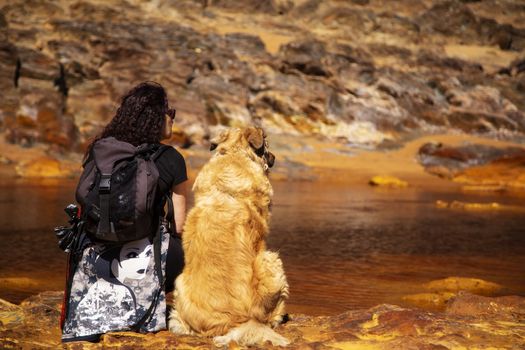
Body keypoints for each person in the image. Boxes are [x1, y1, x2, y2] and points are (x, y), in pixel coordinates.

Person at [61, 81, 188, 342]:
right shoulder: (171, 158)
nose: (172, 118)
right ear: (157, 118)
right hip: (146, 257)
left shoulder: (102, 150)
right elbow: (180, 226)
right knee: (192, 246)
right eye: (170, 112)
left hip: (96, 258)